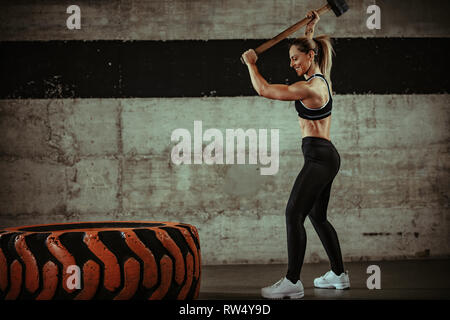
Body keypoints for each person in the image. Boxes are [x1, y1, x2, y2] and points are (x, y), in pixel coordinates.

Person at [241, 10, 350, 299]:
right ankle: (339, 275)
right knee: (317, 216)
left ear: (310, 57)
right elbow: (310, 51)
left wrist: (251, 64)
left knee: (293, 214)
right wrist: (311, 29)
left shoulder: (308, 88)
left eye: (295, 58)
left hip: (319, 158)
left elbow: (264, 90)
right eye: (290, 58)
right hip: (326, 157)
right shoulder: (321, 76)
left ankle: (292, 281)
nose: (291, 63)